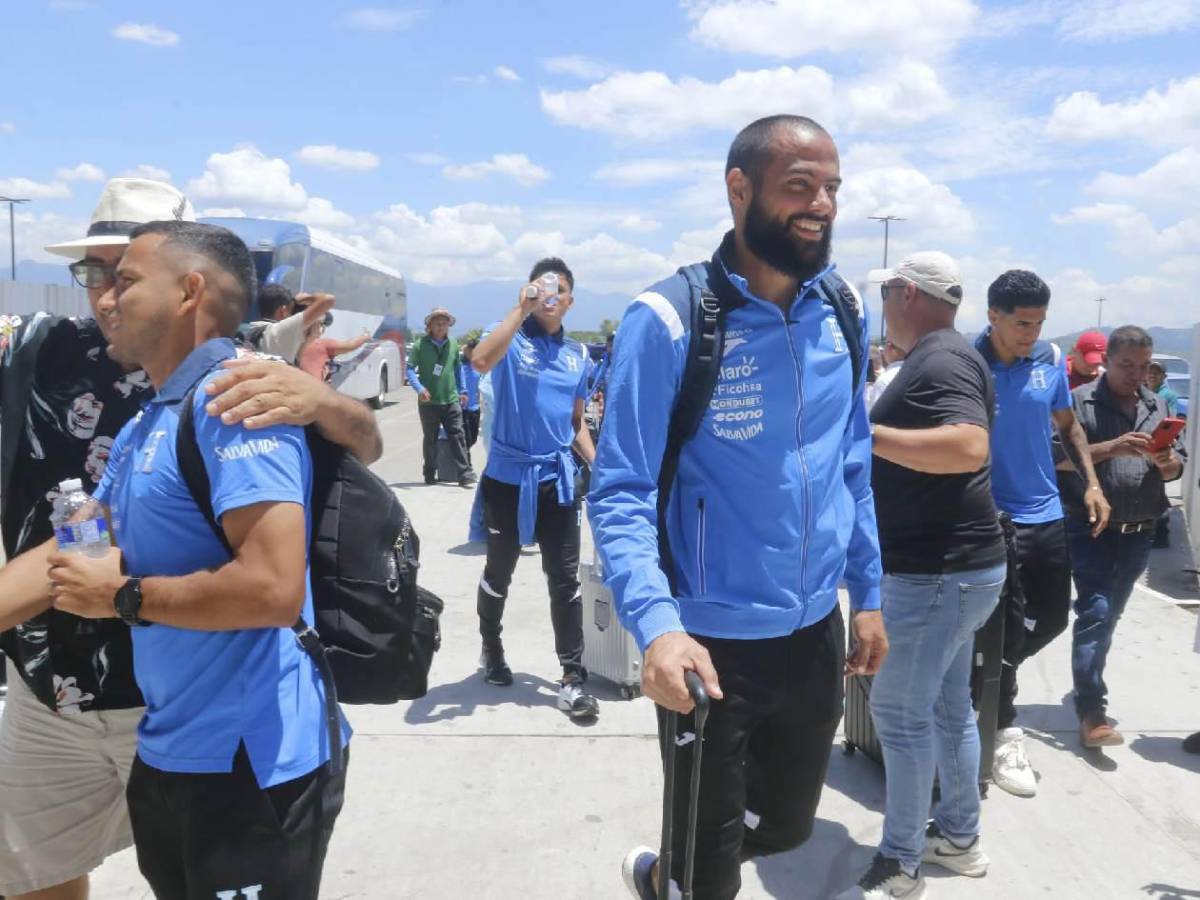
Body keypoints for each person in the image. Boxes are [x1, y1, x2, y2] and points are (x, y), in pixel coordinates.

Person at [0, 180, 380, 900]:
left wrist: (123, 597)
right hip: (172, 749)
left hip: (251, 758)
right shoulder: (153, 416)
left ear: (188, 289)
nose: (106, 298)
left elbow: (271, 588)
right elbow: (74, 548)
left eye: (126, 278)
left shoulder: (237, 400)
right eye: (97, 278)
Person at [588, 115, 887, 900]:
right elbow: (619, 491)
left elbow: (852, 462)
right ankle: (686, 873)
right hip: (709, 646)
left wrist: (868, 594)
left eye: (832, 189)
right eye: (800, 186)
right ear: (739, 189)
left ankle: (674, 869)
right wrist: (658, 627)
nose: (821, 205)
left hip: (815, 632)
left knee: (785, 828)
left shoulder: (843, 309)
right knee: (709, 876)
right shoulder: (670, 321)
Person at [836, 253, 1005, 900]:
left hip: (936, 575)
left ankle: (900, 863)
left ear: (907, 293)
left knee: (899, 714)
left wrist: (864, 434)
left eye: (886, 297)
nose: (883, 310)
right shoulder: (949, 354)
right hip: (963, 572)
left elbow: (968, 445)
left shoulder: (941, 359)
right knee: (948, 708)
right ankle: (959, 838)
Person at [973, 269, 1110, 798]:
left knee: (1050, 619)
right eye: (1021, 323)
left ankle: (984, 680)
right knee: (1001, 628)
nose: (1031, 333)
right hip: (991, 519)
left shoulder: (1049, 362)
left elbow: (1069, 425)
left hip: (1046, 514)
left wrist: (1092, 483)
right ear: (994, 316)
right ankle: (1001, 725)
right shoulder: (969, 364)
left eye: (1039, 323)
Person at [469, 258, 600, 720]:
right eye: (542, 287)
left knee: (565, 579)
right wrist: (520, 309)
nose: (551, 295)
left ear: (570, 301)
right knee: (499, 570)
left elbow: (575, 421)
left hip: (556, 482)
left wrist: (598, 465)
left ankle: (572, 677)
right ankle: (491, 647)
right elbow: (480, 360)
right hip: (508, 480)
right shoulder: (510, 337)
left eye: (559, 289)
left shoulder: (578, 356)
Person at [1060, 326, 1184, 748]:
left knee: (1109, 615)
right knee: (1095, 612)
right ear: (1108, 361)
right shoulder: (1079, 403)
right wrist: (1112, 447)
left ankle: (1088, 681)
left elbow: (1176, 468)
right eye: (1126, 364)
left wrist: (1166, 462)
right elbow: (1057, 458)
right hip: (1090, 528)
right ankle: (1092, 710)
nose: (1136, 373)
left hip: (1140, 532)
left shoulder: (1157, 405)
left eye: (1143, 365)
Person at [407, 308, 475, 488]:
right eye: (437, 323)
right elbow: (410, 369)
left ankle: (464, 474)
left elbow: (458, 368)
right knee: (430, 439)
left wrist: (463, 390)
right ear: (429, 325)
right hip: (428, 402)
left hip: (451, 399)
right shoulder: (420, 345)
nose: (441, 326)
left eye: (444, 323)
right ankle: (430, 472)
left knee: (458, 435)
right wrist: (419, 388)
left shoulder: (453, 343)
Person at [246, 289, 336, 364]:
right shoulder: (278, 334)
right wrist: (304, 299)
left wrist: (307, 341)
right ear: (283, 311)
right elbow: (327, 300)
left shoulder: (252, 329)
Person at [297, 313, 370, 382]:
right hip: (313, 388)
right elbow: (350, 346)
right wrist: (365, 337)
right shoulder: (320, 344)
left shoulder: (294, 343)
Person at [458, 338, 483, 459]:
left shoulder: (479, 365)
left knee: (473, 438)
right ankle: (466, 464)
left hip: (475, 408)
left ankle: (464, 460)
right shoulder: (459, 364)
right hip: (461, 408)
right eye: (470, 350)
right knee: (465, 439)